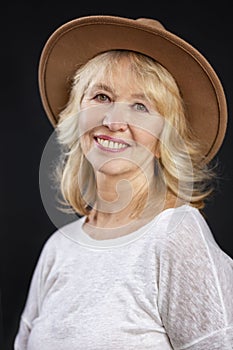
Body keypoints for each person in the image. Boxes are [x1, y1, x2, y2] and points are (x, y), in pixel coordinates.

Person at [14, 15, 233, 350]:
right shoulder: (58, 249)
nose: (114, 121)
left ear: (163, 141)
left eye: (141, 106)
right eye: (101, 97)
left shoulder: (177, 235)